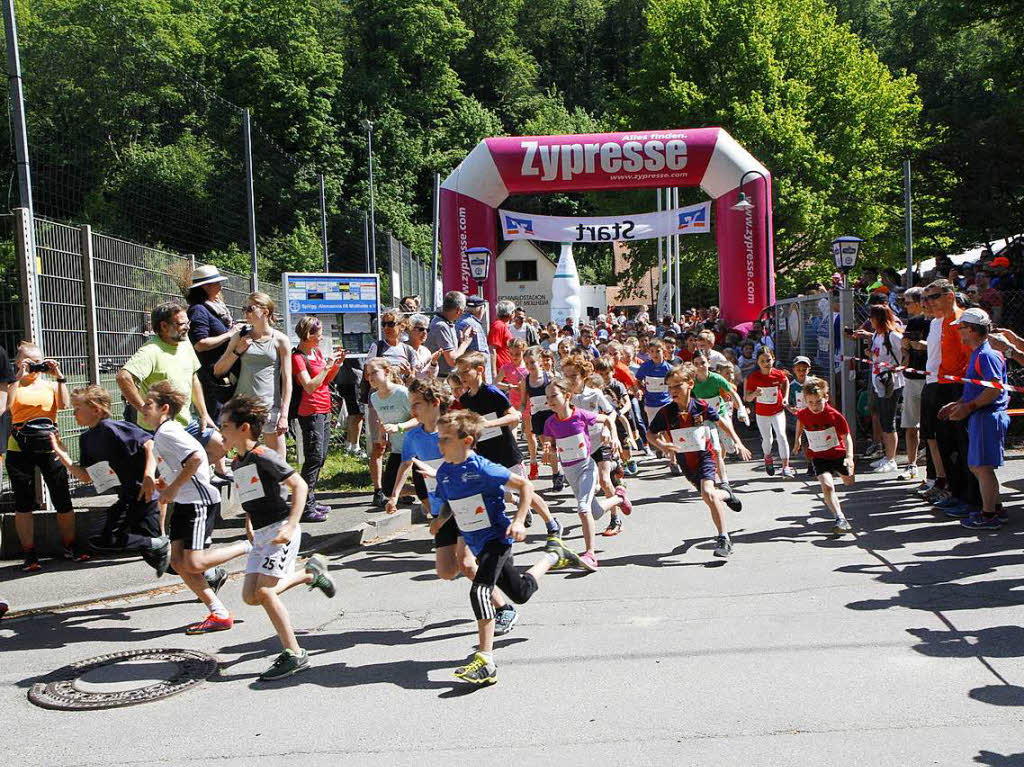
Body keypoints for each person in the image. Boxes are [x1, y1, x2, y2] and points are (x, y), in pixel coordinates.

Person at [430, 410, 581, 685]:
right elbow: (449, 502)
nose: (439, 444)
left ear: (466, 441)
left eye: (445, 439)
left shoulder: (482, 468)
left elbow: (525, 485)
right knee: (520, 592)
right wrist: (440, 521)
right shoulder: (444, 471)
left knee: (480, 591)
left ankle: (485, 661)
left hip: (497, 539)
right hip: (475, 541)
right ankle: (554, 555)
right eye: (439, 438)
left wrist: (520, 520)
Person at [218, 394, 336, 680]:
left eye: (225, 425)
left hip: (281, 528)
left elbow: (300, 485)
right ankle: (309, 574)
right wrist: (249, 522)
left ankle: (294, 653)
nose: (220, 431)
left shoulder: (264, 456)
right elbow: (252, 495)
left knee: (265, 592)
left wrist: (292, 524)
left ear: (243, 427)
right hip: (261, 534)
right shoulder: (237, 462)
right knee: (250, 596)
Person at [142, 381, 251, 635]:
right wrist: (165, 483)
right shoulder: (162, 433)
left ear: (164, 408)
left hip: (199, 501)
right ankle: (219, 613)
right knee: (179, 563)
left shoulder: (168, 432)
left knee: (193, 561)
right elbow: (183, 465)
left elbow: (196, 458)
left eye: (148, 404)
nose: (142, 408)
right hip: (185, 501)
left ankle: (249, 546)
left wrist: (171, 489)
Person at [50, 385, 170, 575]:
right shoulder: (86, 439)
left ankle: (205, 573)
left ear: (96, 410)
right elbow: (86, 477)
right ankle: (163, 547)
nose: (73, 414)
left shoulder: (113, 428)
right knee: (103, 539)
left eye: (77, 409)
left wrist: (148, 475)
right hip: (127, 498)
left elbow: (150, 443)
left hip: (144, 495)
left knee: (155, 555)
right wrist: (63, 455)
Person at [6, 341, 85, 570]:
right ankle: (29, 554)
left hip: (51, 445)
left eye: (38, 363)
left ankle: (71, 545)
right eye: (29, 362)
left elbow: (63, 404)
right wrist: (18, 376)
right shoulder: (14, 384)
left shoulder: (49, 385)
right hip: (19, 448)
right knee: (23, 503)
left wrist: (59, 375)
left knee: (62, 498)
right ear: (18, 362)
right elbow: (8, 406)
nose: (34, 367)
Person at [647, 364, 740, 558]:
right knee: (710, 496)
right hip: (686, 463)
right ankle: (727, 494)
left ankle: (724, 538)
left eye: (676, 386)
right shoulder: (666, 412)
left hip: (705, 456)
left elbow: (721, 421)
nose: (672, 391)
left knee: (708, 494)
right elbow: (650, 434)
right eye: (669, 387)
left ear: (690, 384)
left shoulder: (701, 406)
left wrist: (737, 440)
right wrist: (663, 446)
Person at [541, 378, 631, 570]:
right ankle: (619, 497)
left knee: (583, 509)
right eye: (547, 397)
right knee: (595, 512)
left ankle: (590, 554)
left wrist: (611, 434)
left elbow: (607, 418)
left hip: (586, 467)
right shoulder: (550, 422)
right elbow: (548, 440)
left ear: (567, 396)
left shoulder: (580, 415)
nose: (550, 400)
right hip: (569, 471)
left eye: (554, 396)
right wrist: (547, 448)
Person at [118, 301, 222, 460]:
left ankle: (180, 480)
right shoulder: (150, 351)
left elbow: (193, 378)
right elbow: (123, 377)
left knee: (219, 445)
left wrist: (204, 414)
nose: (187, 327)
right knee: (179, 463)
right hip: (159, 429)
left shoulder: (185, 343)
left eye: (188, 322)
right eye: (181, 323)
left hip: (186, 423)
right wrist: (142, 408)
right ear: (164, 326)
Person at [940, 308, 1010, 529]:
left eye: (961, 328)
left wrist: (969, 406)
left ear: (970, 330)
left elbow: (994, 389)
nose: (958, 332)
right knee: (979, 467)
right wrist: (959, 403)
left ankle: (989, 515)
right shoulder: (981, 354)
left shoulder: (985, 355)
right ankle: (995, 508)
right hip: (982, 416)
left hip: (986, 416)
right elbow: (978, 388)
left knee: (981, 467)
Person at [213, 292, 292, 457]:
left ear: (265, 311)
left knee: (277, 464)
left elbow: (287, 380)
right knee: (246, 462)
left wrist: (284, 415)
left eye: (250, 309)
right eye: (244, 309)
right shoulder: (240, 337)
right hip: (243, 409)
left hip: (270, 408)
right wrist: (237, 351)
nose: (246, 313)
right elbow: (218, 370)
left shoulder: (280, 340)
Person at [291, 316, 344, 523]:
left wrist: (335, 366)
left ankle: (310, 499)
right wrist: (325, 368)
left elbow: (326, 381)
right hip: (310, 410)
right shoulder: (298, 358)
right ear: (308, 334)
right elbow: (309, 386)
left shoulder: (317, 352)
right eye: (318, 334)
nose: (321, 338)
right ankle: (305, 505)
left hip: (324, 407)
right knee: (313, 457)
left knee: (320, 456)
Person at [793, 377, 855, 535]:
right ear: (805, 400)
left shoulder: (834, 415)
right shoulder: (804, 413)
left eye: (818, 402)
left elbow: (846, 436)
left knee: (849, 481)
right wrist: (798, 439)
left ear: (826, 398)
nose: (814, 406)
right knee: (827, 487)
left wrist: (849, 457)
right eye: (810, 402)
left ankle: (845, 472)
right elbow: (800, 422)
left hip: (838, 454)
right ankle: (839, 517)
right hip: (818, 456)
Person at [186, 265, 242, 426]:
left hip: (222, 373)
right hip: (210, 378)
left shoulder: (214, 307)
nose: (220, 286)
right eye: (217, 283)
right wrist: (230, 334)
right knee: (216, 422)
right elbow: (200, 344)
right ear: (206, 287)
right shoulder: (198, 310)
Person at [365, 357, 413, 510]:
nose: (370, 377)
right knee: (387, 488)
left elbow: (419, 418)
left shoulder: (402, 393)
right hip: (399, 447)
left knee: (421, 484)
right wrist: (381, 435)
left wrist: (399, 427)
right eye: (367, 374)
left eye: (374, 372)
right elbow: (382, 419)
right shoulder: (374, 397)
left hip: (417, 447)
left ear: (386, 372)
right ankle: (429, 492)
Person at [744, 348, 792, 477]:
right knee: (768, 439)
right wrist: (754, 394)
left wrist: (786, 397)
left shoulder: (778, 374)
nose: (766, 363)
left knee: (781, 435)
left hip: (777, 411)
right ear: (758, 363)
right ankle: (767, 456)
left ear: (773, 359)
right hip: (762, 414)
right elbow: (747, 398)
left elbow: (786, 381)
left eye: (768, 360)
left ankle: (785, 466)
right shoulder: (753, 377)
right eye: (763, 361)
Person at [899, 287, 929, 481]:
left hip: (931, 379)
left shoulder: (935, 322)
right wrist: (906, 348)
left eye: (908, 302)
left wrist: (922, 345)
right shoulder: (913, 322)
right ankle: (911, 464)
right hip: (911, 378)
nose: (905, 306)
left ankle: (936, 473)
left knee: (933, 427)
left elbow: (933, 348)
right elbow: (906, 349)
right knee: (911, 424)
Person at [426, 291, 475, 377]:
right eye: (463, 311)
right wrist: (465, 343)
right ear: (458, 311)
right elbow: (452, 361)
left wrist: (461, 339)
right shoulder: (442, 326)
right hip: (441, 379)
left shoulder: (445, 323)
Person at [458, 296, 494, 383]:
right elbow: (481, 355)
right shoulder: (473, 324)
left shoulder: (459, 321)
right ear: (481, 309)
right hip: (476, 377)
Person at [407, 313, 442, 380]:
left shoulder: (425, 351)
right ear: (410, 329)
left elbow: (432, 376)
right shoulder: (403, 349)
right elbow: (414, 372)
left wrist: (433, 362)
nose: (425, 332)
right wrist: (430, 359)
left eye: (427, 330)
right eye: (421, 329)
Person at [488, 300, 516, 377]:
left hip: (506, 369)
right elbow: (492, 349)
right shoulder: (499, 326)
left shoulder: (502, 325)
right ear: (511, 313)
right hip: (501, 370)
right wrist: (494, 372)